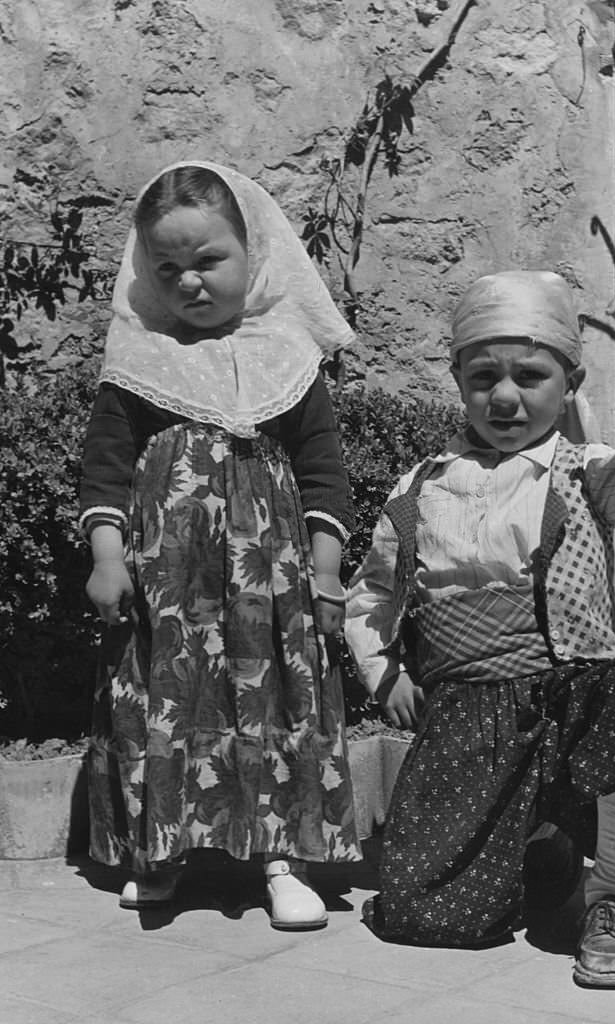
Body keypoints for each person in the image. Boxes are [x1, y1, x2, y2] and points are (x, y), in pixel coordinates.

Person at [344, 270, 615, 987]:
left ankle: (610, 896)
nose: (504, 396)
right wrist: (386, 671)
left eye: (529, 376)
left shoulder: (587, 473)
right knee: (424, 916)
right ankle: (542, 842)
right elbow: (372, 592)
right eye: (483, 377)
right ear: (458, 380)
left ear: (568, 382)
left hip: (573, 696)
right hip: (468, 709)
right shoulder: (421, 485)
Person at [79, 160, 361, 927]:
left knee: (271, 703)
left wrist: (326, 575)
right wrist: (108, 557)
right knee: (167, 700)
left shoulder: (286, 358)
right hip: (169, 583)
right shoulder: (138, 361)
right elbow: (103, 470)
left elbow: (324, 472)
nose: (190, 281)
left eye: (209, 260)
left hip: (270, 587)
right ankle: (162, 849)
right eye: (168, 267)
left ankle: (282, 858)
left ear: (253, 251)